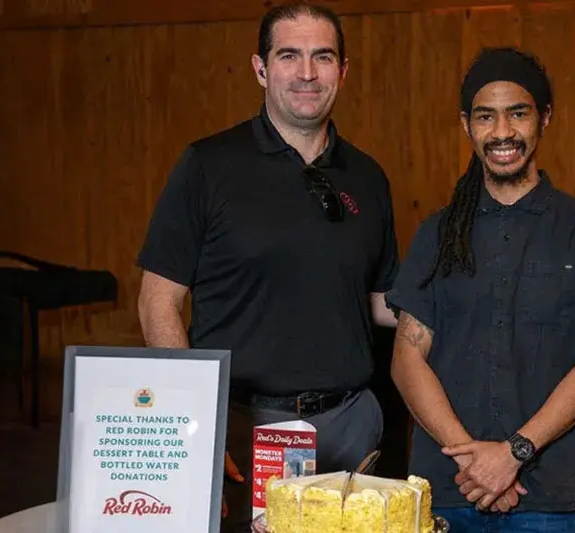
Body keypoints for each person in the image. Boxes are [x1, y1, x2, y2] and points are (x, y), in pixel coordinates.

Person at [135, 0, 398, 518]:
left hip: (351, 427)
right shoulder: (208, 165)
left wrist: (473, 298)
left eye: (322, 57)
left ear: (342, 72)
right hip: (244, 424)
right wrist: (196, 426)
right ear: (261, 68)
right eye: (288, 56)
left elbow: (383, 302)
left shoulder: (368, 176)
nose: (306, 73)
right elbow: (157, 303)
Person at [385, 47, 575, 532]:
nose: (501, 133)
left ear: (544, 118)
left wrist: (514, 453)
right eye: (486, 117)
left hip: (547, 497)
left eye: (517, 114)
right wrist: (475, 462)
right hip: (446, 489)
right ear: (466, 125)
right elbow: (406, 358)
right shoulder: (436, 233)